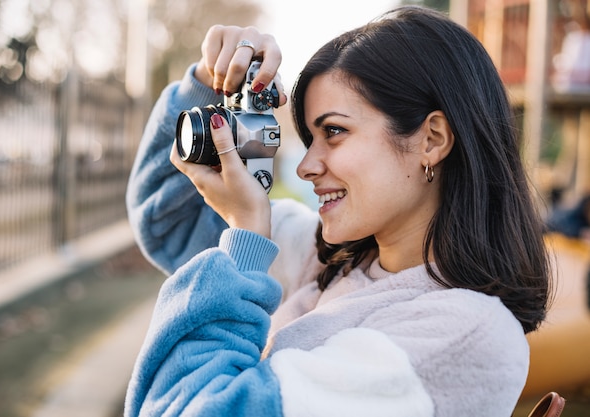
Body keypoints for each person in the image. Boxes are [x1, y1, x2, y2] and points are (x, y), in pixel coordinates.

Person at [124, 6, 552, 417]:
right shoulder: (332, 258)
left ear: (432, 139)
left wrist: (247, 239)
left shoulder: (464, 333)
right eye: (310, 138)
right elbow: (170, 223)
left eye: (334, 132)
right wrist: (211, 79)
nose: (306, 166)